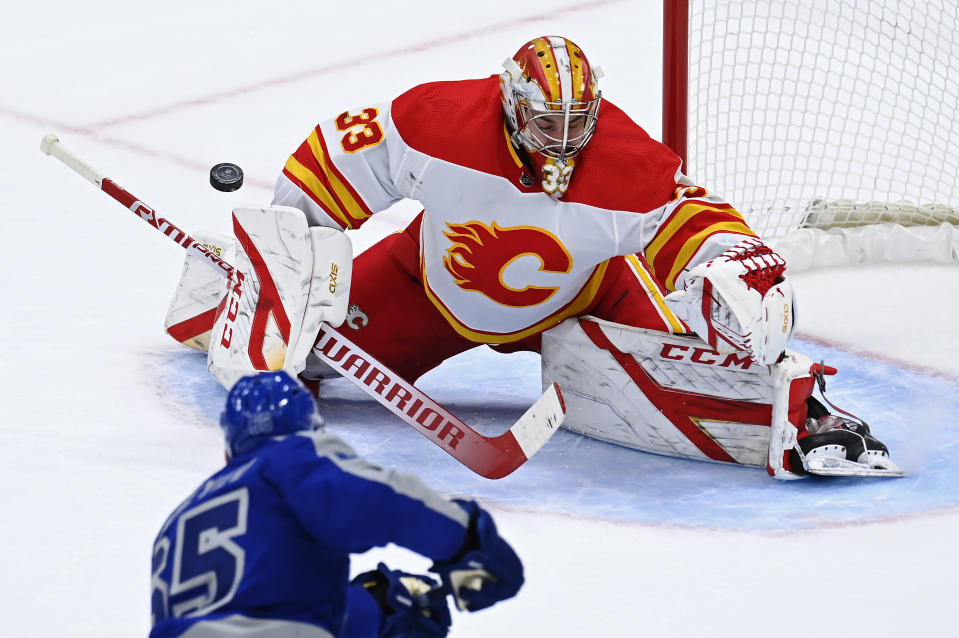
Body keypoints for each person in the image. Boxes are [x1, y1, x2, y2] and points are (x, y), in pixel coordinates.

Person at [166, 35, 901, 478]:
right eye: (546, 121)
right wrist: (284, 257)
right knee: (301, 357)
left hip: (590, 304)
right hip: (425, 291)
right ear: (511, 104)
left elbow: (689, 220)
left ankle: (817, 420)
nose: (563, 138)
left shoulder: (628, 163)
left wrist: (731, 256)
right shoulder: (437, 122)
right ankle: (227, 285)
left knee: (710, 376)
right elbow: (336, 161)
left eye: (577, 121)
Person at [150, 370, 524, 637]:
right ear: (308, 427)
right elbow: (377, 499)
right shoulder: (288, 459)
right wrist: (466, 540)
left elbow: (255, 608)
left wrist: (378, 608)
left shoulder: (180, 519)